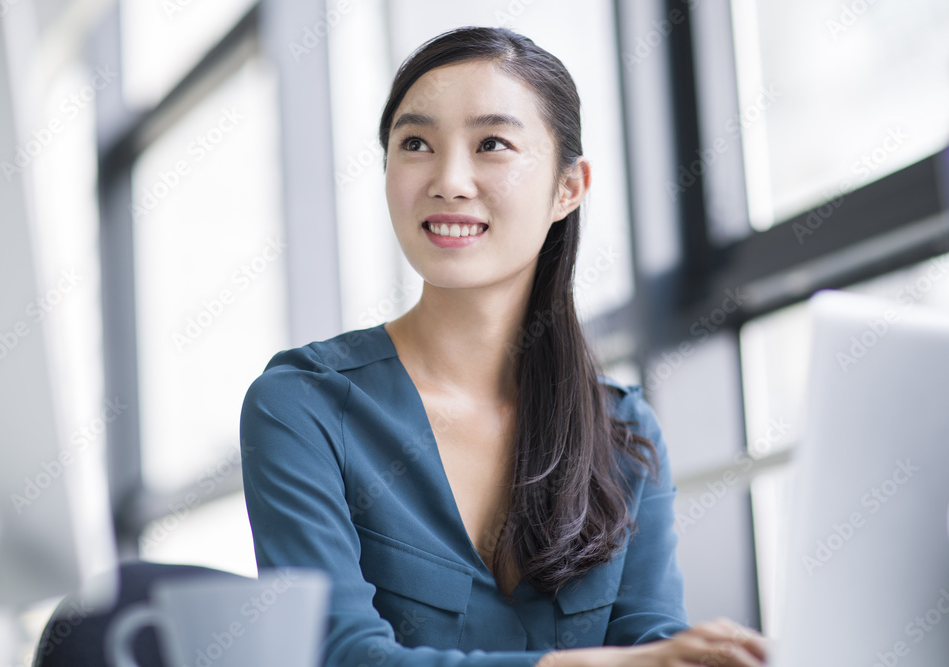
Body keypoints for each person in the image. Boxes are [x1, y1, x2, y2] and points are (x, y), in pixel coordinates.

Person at [240, 25, 766, 667]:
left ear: (568, 188)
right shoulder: (302, 406)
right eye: (415, 144)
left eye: (491, 143)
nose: (449, 180)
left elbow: (652, 639)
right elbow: (342, 658)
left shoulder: (623, 429)